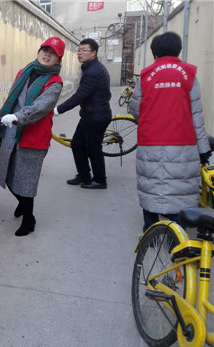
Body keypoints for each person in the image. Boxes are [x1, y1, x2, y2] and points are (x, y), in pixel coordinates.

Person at [130, 31, 210, 232]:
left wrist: (150, 122)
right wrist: (203, 149)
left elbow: (136, 109)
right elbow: (196, 115)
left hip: (150, 140)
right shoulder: (189, 74)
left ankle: (150, 232)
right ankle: (178, 234)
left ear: (155, 52)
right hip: (183, 141)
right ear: (178, 50)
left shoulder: (145, 76)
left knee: (151, 185)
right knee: (180, 188)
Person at [0, 37, 65, 236]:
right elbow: (12, 98)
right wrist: (4, 119)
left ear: (58, 60)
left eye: (53, 53)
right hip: (12, 131)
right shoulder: (24, 72)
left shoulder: (55, 83)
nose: (47, 55)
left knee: (25, 181)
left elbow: (40, 107)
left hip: (33, 136)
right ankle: (22, 202)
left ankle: (29, 219)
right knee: (8, 174)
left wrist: (17, 117)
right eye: (45, 50)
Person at [54, 38, 112, 189]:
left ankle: (100, 180)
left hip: (96, 117)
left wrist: (57, 110)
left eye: (84, 50)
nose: (80, 53)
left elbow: (79, 96)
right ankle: (84, 175)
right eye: (79, 50)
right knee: (77, 144)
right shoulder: (90, 67)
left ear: (93, 53)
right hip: (90, 115)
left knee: (93, 148)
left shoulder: (93, 72)